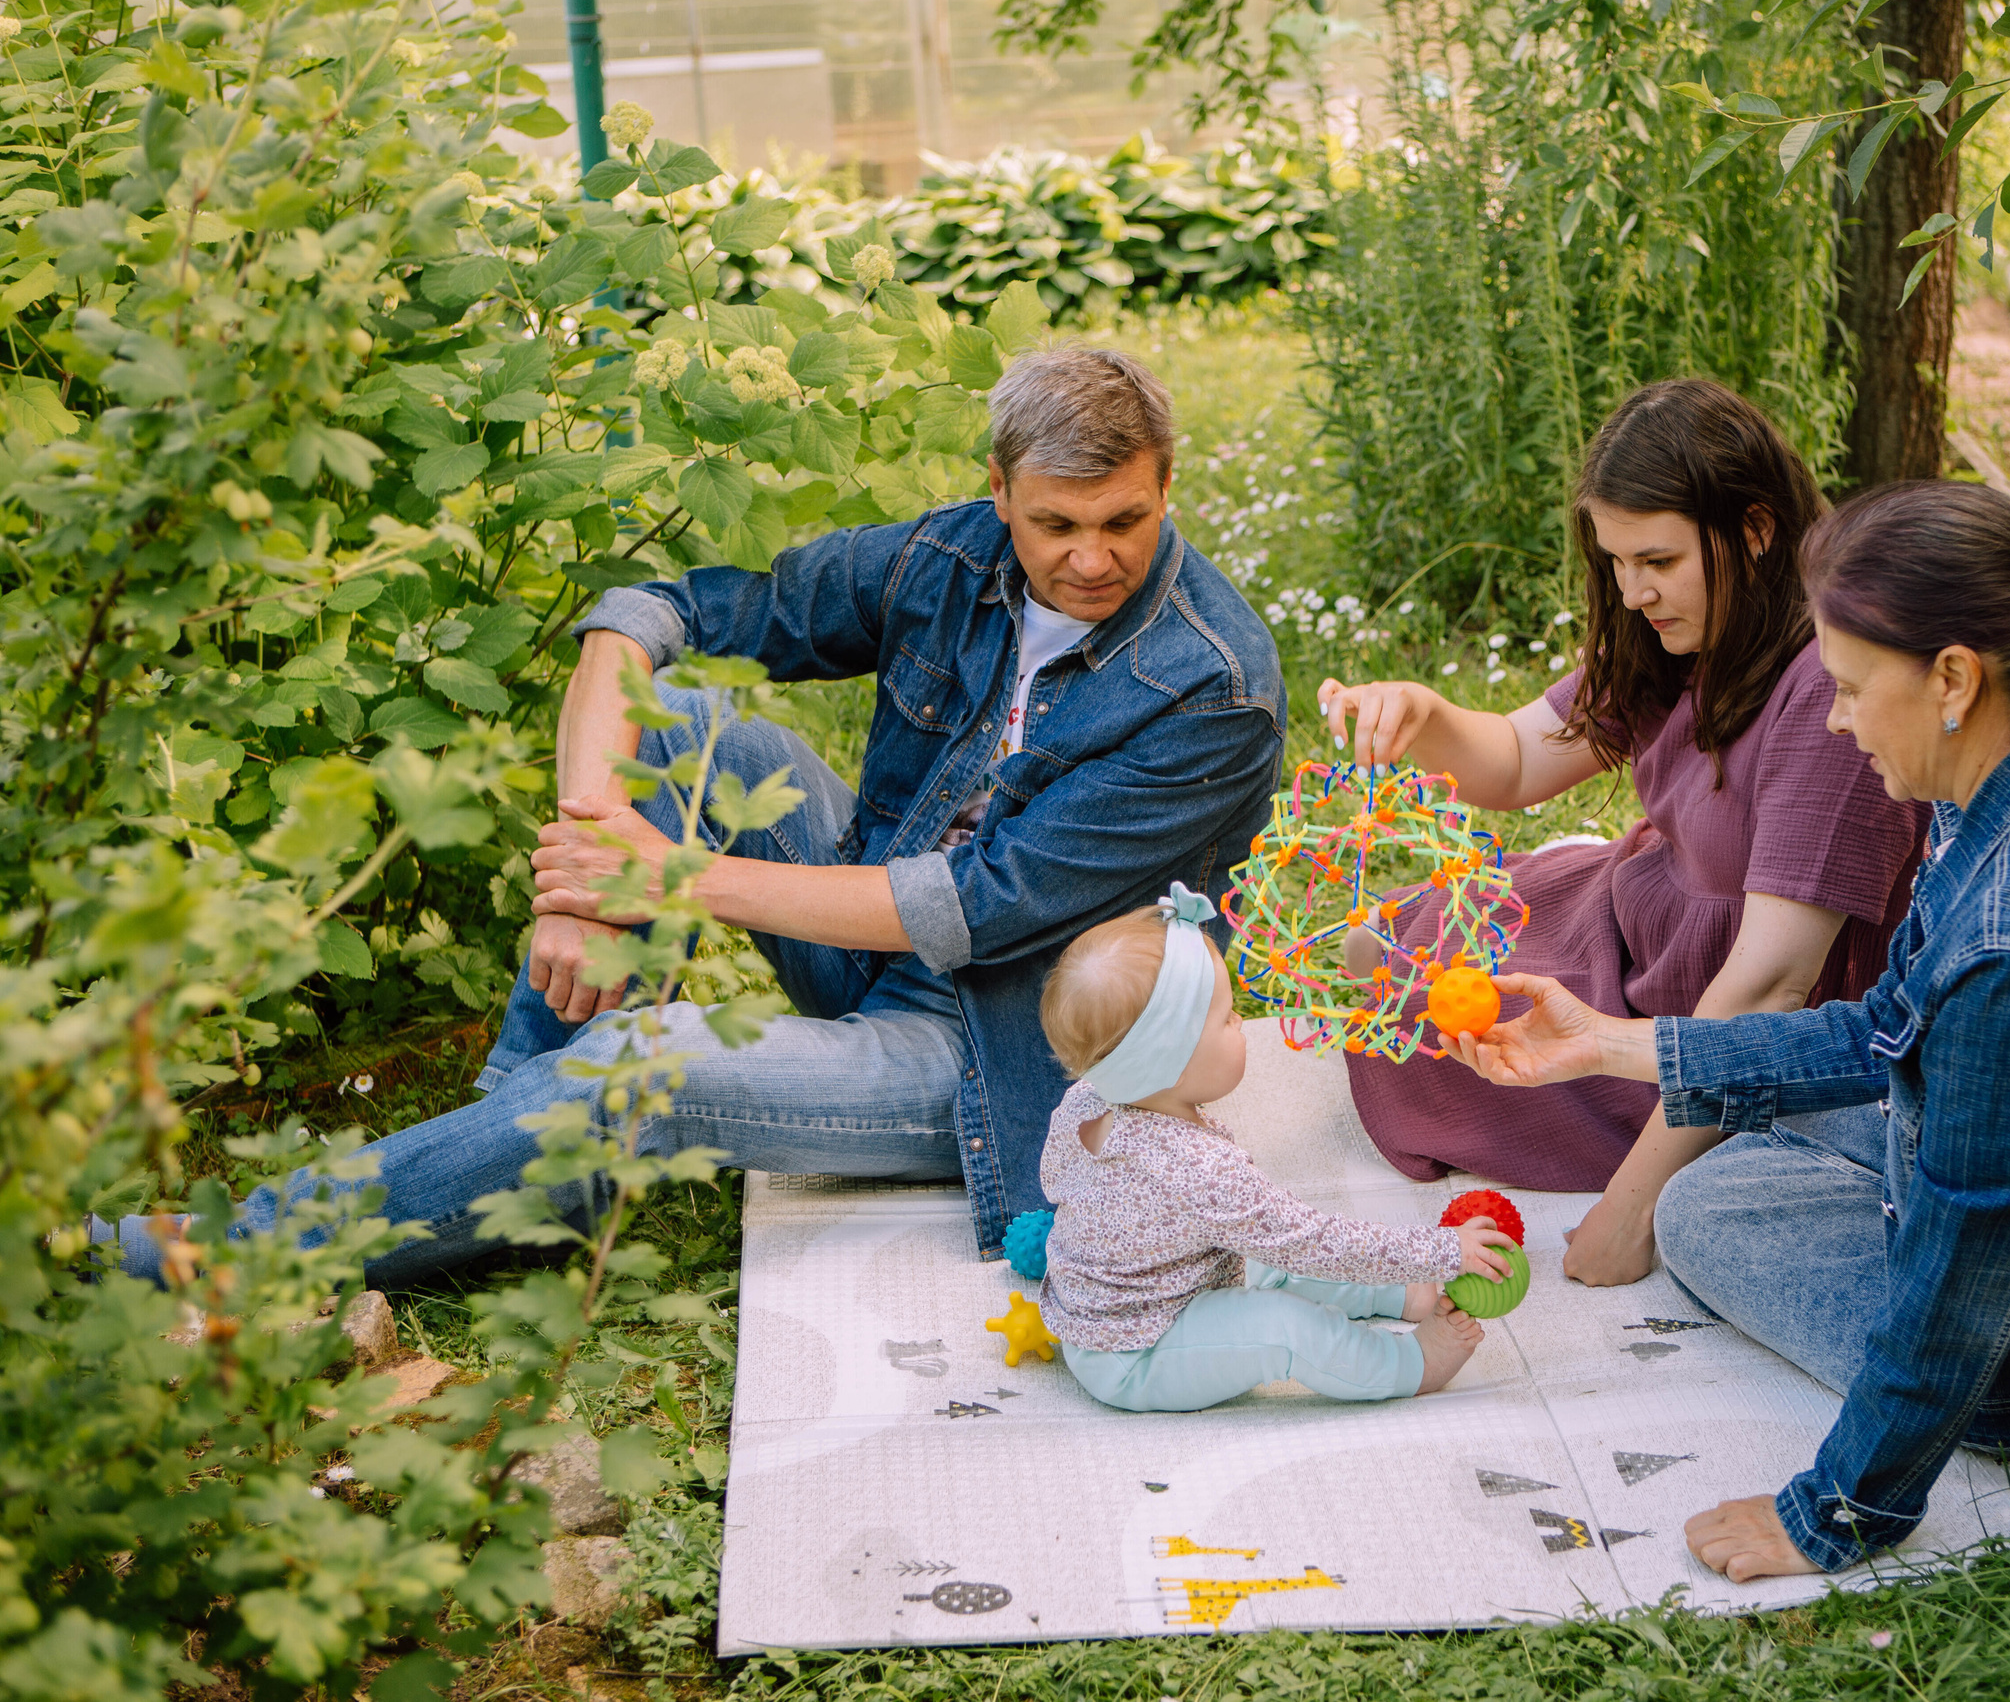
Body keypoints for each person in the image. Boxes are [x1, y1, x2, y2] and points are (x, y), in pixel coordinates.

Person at [105, 347, 1285, 1282]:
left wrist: (663, 880)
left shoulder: (1212, 690)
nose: (1087, 559)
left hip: (1013, 1050)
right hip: (871, 949)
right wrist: (587, 869)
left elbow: (970, 909)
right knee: (671, 717)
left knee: (648, 1068)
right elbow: (661, 615)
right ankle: (517, 1150)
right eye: (1054, 526)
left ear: (1167, 486)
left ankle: (252, 1250)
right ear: (1001, 493)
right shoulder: (954, 553)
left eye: (1122, 523)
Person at [1445, 480, 2010, 1581]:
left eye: (1847, 688)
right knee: (1738, 1134)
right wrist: (1607, 1042)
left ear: (1951, 677)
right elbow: (1888, 1028)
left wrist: (1837, 1511)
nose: (1835, 720)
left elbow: (1969, 1268)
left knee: (1701, 1206)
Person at [1318, 379, 1927, 1286]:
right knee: (1437, 942)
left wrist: (1632, 1205)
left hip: (1724, 1007)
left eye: (1657, 559)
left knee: (1441, 1039)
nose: (1633, 590)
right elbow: (1520, 761)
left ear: (1755, 530)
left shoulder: (1822, 691)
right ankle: (1523, 912)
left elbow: (1772, 983)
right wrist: (1424, 713)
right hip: (1649, 912)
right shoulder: (1677, 632)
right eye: (1614, 561)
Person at [1034, 886, 1516, 1412]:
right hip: (1135, 1353)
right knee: (1281, 1325)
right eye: (1226, 1017)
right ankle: (1406, 1365)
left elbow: (1055, 1182)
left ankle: (1398, 1294)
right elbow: (1315, 1240)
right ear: (1165, 1062)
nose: (1241, 1023)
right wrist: (1444, 1249)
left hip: (1165, 1286)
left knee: (1265, 1263)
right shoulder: (1202, 1173)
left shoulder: (1083, 1101)